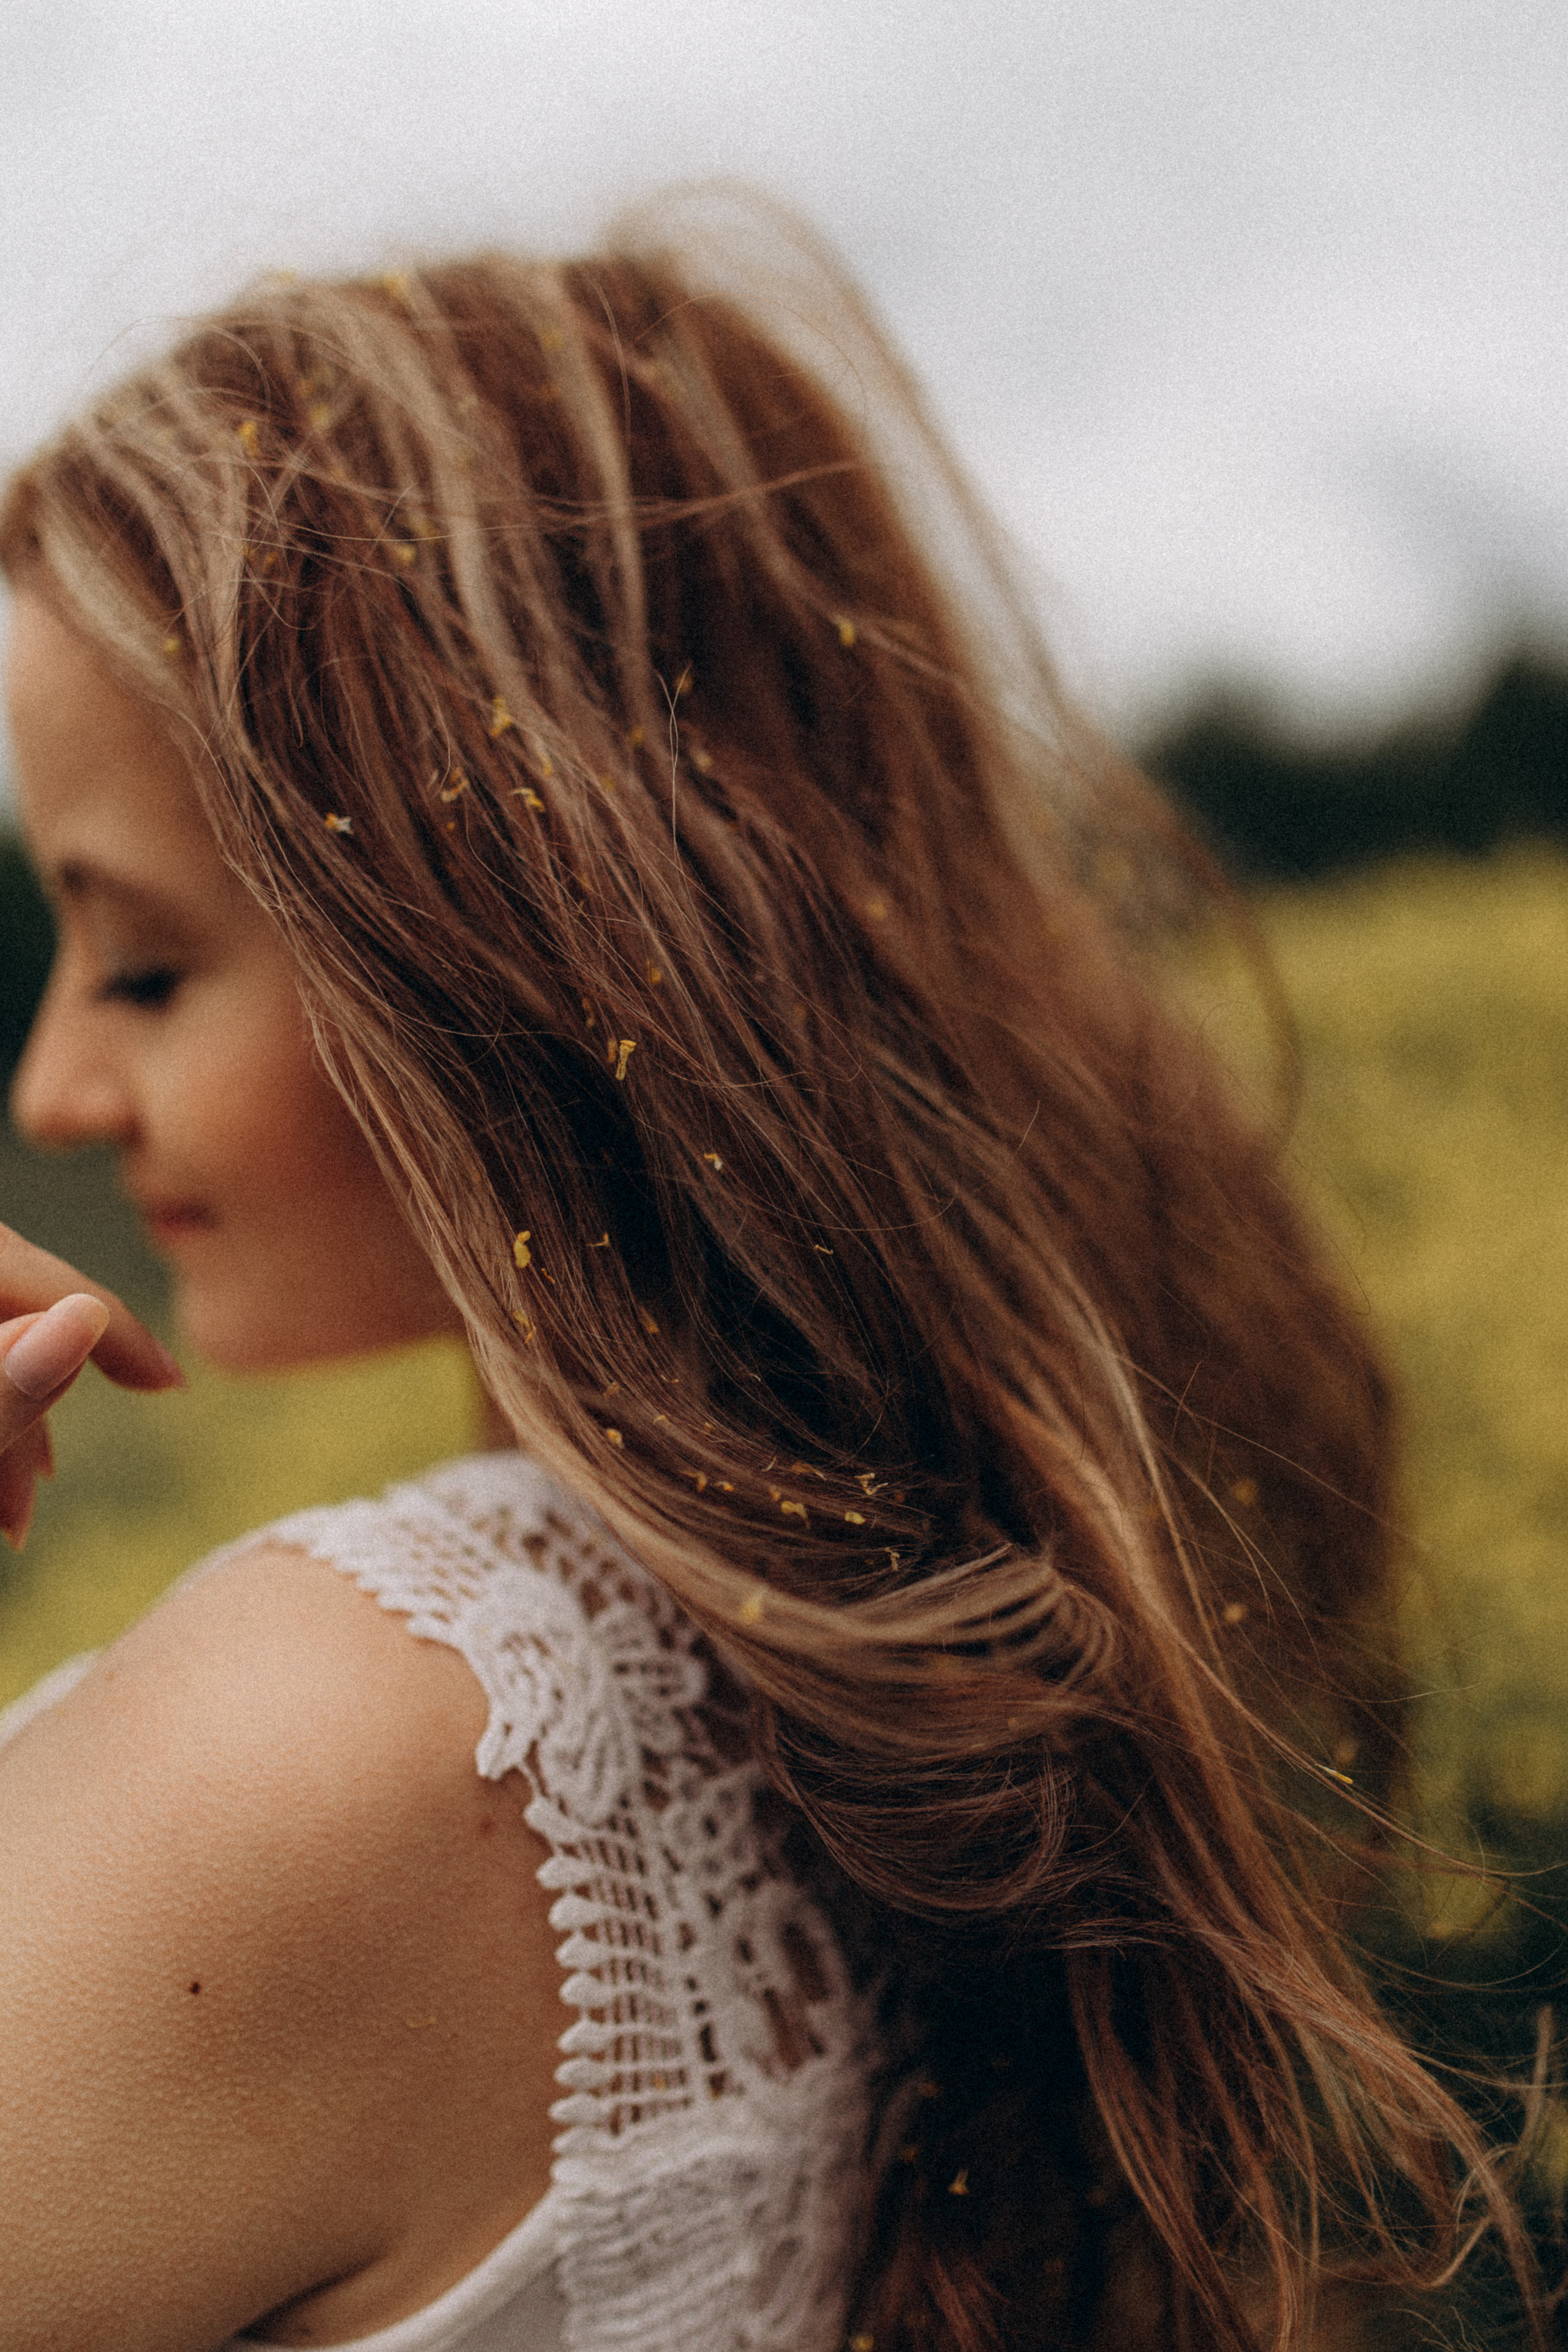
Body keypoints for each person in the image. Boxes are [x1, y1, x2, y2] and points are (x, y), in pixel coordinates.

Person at [0, 195, 1538, 2352]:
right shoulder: (900, 1638)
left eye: (147, 957)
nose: (57, 1084)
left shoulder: (333, 1746)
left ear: (507, 942)